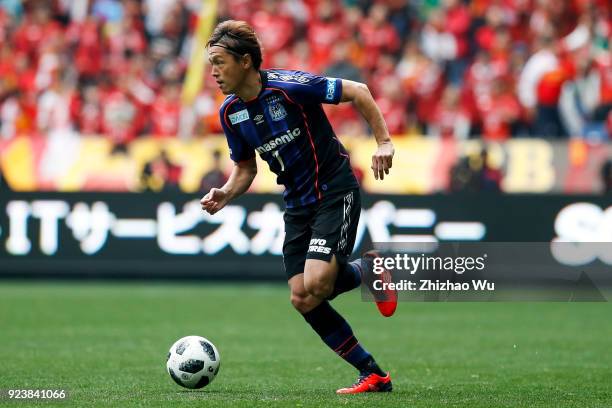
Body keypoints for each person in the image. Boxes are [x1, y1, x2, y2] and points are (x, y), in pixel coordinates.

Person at [200, 20, 396, 394]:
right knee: (302, 296)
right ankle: (373, 373)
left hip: (334, 190)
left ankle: (368, 269)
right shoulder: (230, 113)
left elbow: (359, 91)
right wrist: (225, 193)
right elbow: (245, 167)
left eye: (219, 62)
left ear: (245, 62)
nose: (213, 72)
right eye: (211, 63)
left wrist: (383, 142)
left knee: (318, 282)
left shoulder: (289, 88)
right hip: (297, 204)